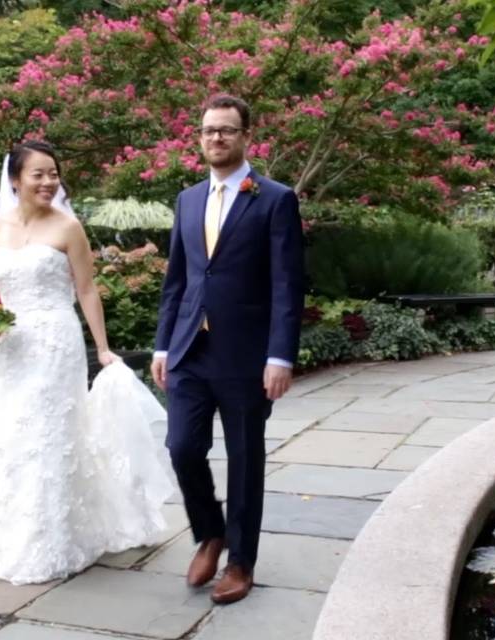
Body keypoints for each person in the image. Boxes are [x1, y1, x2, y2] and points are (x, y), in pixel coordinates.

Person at [0, 140, 173, 585]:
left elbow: (87, 290)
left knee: (49, 437)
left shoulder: (68, 228)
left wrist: (103, 348)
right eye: (39, 174)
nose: (49, 182)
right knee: (15, 439)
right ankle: (20, 539)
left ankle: (56, 541)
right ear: (15, 180)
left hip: (54, 344)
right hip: (10, 349)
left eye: (54, 174)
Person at [151, 94, 304, 604]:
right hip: (189, 348)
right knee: (181, 447)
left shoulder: (274, 198)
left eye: (227, 130)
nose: (216, 138)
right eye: (209, 130)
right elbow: (177, 280)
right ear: (200, 137)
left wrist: (279, 356)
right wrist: (161, 345)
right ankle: (210, 531)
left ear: (245, 137)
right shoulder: (187, 199)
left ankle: (240, 561)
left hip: (244, 354)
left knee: (245, 459)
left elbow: (288, 284)